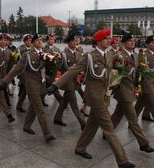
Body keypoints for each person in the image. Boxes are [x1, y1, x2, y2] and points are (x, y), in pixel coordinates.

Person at [45, 29, 136, 168]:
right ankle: (122, 161)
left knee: (92, 124)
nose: (109, 40)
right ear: (99, 41)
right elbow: (72, 70)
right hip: (94, 96)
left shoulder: (110, 54)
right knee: (109, 129)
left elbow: (115, 71)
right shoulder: (89, 56)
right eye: (106, 38)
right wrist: (56, 85)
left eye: (109, 38)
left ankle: (80, 148)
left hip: (104, 95)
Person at [0, 34, 56, 142]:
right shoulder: (27, 55)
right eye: (37, 40)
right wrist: (5, 81)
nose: (39, 42)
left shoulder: (45, 54)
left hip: (41, 84)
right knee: (39, 109)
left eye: (40, 40)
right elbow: (16, 69)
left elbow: (50, 67)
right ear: (32, 43)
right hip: (32, 85)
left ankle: (26, 126)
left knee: (33, 107)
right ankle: (47, 133)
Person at [52, 34, 86, 129]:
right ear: (68, 43)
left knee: (64, 100)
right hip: (67, 81)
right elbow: (58, 68)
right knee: (74, 104)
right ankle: (83, 123)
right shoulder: (63, 54)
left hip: (76, 80)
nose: (75, 43)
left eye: (75, 41)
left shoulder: (79, 53)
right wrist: (57, 60)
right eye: (72, 41)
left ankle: (57, 118)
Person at [43, 33, 63, 105]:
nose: (50, 41)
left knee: (48, 86)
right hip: (46, 71)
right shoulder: (43, 49)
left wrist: (58, 69)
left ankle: (40, 98)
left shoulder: (57, 49)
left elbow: (60, 60)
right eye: (49, 39)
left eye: (52, 39)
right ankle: (61, 101)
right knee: (53, 86)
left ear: (54, 40)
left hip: (54, 71)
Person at [15, 34, 33, 113]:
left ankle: (19, 105)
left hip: (31, 72)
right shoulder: (20, 49)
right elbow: (16, 60)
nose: (29, 42)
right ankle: (34, 105)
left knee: (25, 90)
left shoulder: (33, 48)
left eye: (30, 40)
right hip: (23, 72)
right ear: (24, 41)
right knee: (28, 89)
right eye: (28, 40)